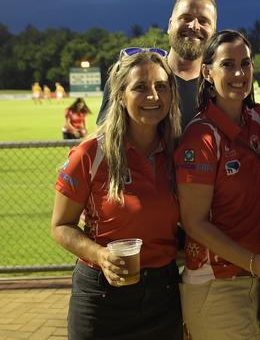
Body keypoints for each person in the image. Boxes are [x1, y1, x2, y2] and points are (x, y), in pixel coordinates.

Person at [50, 49, 183, 340]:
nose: (153, 96)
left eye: (161, 86)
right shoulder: (91, 153)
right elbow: (61, 226)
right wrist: (100, 255)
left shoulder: (179, 152)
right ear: (120, 96)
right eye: (140, 87)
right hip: (101, 295)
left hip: (164, 294)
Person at [174, 30, 260, 340]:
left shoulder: (258, 121)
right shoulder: (200, 136)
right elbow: (194, 222)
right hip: (216, 281)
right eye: (228, 64)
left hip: (259, 273)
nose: (239, 73)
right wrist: (255, 264)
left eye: (246, 63)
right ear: (207, 72)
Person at [96, 0, 217, 128]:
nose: (194, 26)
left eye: (203, 21)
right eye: (186, 18)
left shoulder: (222, 84)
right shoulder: (131, 75)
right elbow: (106, 140)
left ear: (214, 32)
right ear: (170, 25)